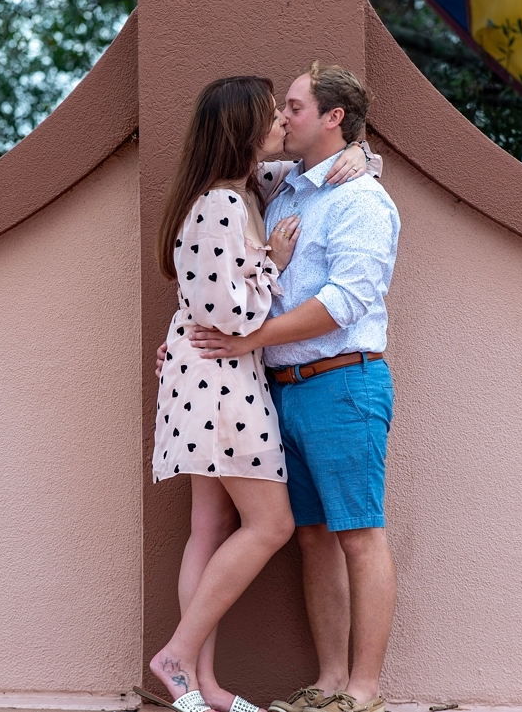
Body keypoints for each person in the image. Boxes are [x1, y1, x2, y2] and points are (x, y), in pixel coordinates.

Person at [137, 75, 379, 712]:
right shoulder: (221, 203)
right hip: (221, 382)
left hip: (214, 378)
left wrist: (364, 154)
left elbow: (323, 171)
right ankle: (179, 657)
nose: (280, 126)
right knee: (269, 523)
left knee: (211, 526)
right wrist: (270, 261)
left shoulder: (255, 189)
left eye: (289, 112)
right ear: (245, 128)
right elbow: (228, 316)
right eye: (272, 116)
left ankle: (200, 684)